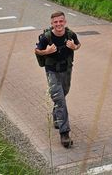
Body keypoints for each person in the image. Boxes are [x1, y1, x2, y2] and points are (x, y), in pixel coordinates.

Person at [35, 11, 81, 148]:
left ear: (64, 22)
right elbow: (37, 50)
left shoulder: (70, 34)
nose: (58, 24)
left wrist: (74, 47)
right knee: (60, 99)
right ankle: (64, 133)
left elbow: (78, 44)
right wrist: (46, 51)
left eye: (61, 21)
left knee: (64, 93)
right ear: (52, 24)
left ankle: (57, 115)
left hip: (66, 70)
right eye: (55, 22)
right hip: (52, 71)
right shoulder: (46, 37)